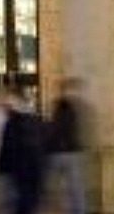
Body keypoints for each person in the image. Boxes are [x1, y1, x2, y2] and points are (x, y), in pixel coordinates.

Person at [0, 90, 47, 214]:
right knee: (28, 201)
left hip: (21, 168)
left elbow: (7, 146)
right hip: (34, 168)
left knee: (21, 201)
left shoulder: (12, 122)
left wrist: (2, 165)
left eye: (8, 105)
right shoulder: (37, 120)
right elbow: (44, 144)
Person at [48, 78, 88, 214]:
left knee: (53, 185)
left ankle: (61, 209)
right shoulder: (78, 106)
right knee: (74, 186)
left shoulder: (62, 106)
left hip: (61, 151)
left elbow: (56, 128)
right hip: (72, 150)